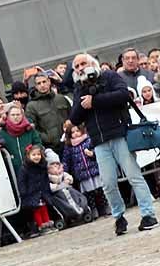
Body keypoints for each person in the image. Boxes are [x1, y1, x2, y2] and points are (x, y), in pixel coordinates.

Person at [69, 52, 159, 235]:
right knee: (108, 183)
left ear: (92, 63)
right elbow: (75, 117)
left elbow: (123, 95)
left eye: (83, 64)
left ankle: (148, 215)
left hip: (120, 135)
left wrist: (95, 100)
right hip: (100, 142)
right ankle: (118, 217)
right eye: (76, 66)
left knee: (134, 175)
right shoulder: (79, 88)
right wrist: (84, 96)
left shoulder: (108, 76)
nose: (80, 68)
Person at [62, 123, 111, 218]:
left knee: (100, 190)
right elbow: (66, 160)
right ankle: (93, 209)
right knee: (89, 193)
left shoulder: (88, 140)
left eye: (77, 131)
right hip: (82, 173)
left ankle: (106, 206)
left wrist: (92, 153)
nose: (76, 133)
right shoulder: (69, 146)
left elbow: (97, 151)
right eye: (73, 132)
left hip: (94, 169)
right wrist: (65, 172)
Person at [25, 72, 71, 151]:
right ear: (35, 86)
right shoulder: (31, 106)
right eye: (39, 83)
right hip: (50, 147)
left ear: (49, 82)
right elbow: (32, 128)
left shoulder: (61, 98)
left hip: (69, 141)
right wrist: (46, 138)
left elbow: (71, 116)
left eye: (44, 82)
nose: (42, 85)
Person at [18, 145, 55, 236]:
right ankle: (41, 226)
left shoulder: (42, 166)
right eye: (33, 155)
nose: (36, 156)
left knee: (44, 208)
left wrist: (47, 189)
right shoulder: (25, 168)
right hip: (31, 193)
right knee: (37, 210)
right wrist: (24, 192)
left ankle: (47, 224)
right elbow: (21, 181)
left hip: (42, 191)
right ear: (28, 156)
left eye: (38, 154)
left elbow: (45, 179)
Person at [0, 103, 43, 172]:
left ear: (22, 115)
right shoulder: (2, 132)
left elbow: (38, 143)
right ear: (8, 116)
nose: (15, 117)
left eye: (18, 114)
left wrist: (32, 151)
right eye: (13, 115)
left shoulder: (29, 129)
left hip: (32, 166)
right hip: (13, 169)